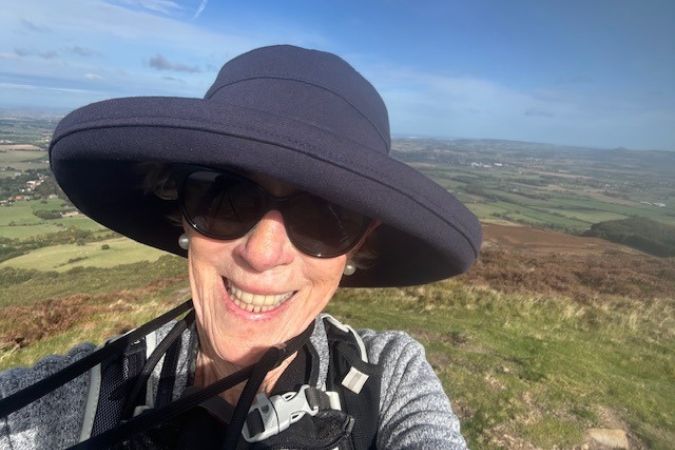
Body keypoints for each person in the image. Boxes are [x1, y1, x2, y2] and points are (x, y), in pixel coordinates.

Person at [0, 45, 481, 449]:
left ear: (355, 250)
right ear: (182, 215)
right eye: (224, 197)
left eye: (323, 217)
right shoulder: (86, 394)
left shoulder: (391, 378)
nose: (262, 252)